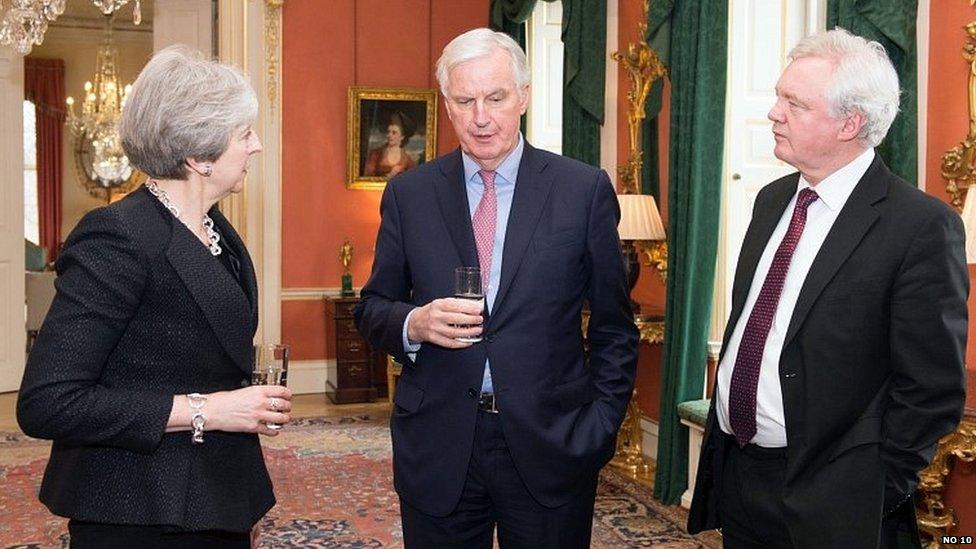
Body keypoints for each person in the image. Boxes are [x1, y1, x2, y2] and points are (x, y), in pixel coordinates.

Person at [354, 28, 638, 548]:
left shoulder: (581, 190)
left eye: (496, 97)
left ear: (523, 97)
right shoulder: (409, 194)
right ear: (447, 104)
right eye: (465, 100)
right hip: (439, 444)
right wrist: (412, 323)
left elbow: (615, 328)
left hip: (552, 442)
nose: (481, 117)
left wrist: (598, 427)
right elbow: (372, 307)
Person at [687, 29, 968, 548]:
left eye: (794, 102)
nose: (773, 112)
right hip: (741, 476)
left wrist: (871, 489)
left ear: (851, 123)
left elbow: (931, 389)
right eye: (778, 96)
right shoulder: (772, 200)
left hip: (836, 502)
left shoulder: (919, 226)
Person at [17, 45, 292, 548]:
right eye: (243, 134)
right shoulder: (118, 236)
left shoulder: (214, 229)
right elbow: (48, 402)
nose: (255, 147)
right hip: (140, 511)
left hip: (214, 497)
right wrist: (209, 409)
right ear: (198, 156)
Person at [363, 110, 418, 177]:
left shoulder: (408, 160)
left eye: (394, 133)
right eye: (388, 132)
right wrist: (390, 175)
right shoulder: (375, 154)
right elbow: (367, 177)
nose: (389, 135)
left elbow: (412, 180)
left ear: (402, 137)